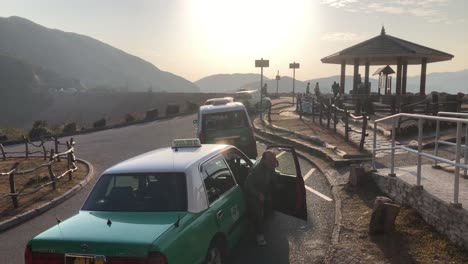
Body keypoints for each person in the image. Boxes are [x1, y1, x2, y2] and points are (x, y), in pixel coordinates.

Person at [244, 150, 279, 246]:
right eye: (270, 160)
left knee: (269, 203)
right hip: (253, 194)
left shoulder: (270, 165)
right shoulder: (256, 170)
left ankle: (266, 217)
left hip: (264, 189)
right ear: (264, 160)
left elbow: (272, 175)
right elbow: (247, 185)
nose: (273, 161)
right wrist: (258, 194)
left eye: (274, 159)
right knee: (257, 212)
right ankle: (259, 234)